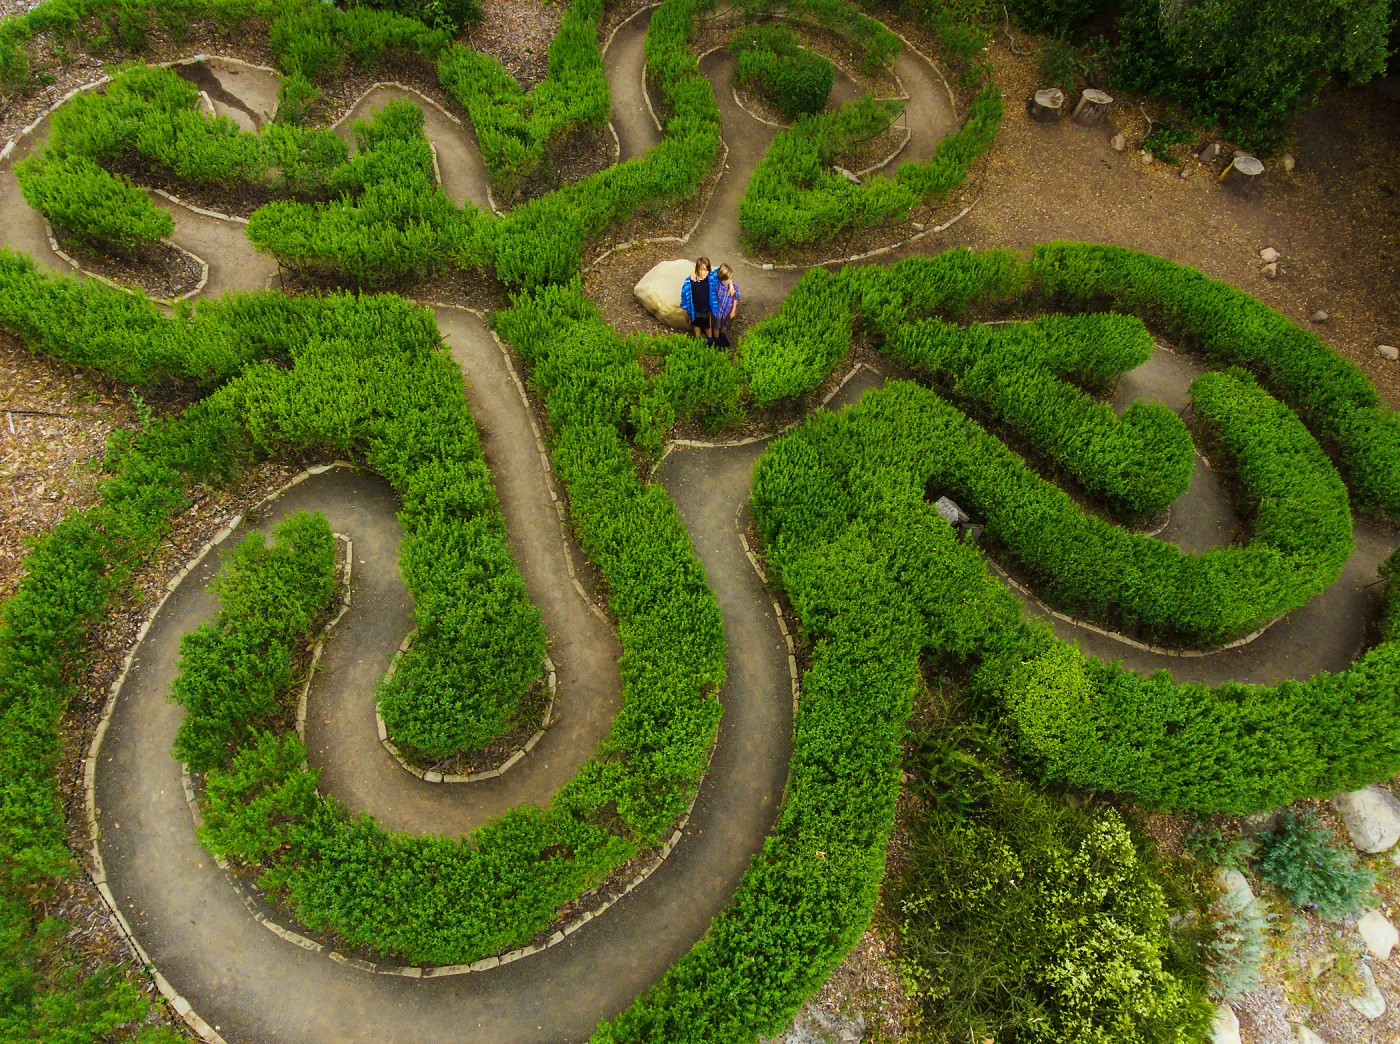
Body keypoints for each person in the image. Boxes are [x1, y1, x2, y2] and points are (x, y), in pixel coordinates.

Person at [679, 256, 718, 342]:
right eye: (702, 270)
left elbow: (721, 270)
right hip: (695, 310)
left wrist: (730, 284)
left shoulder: (710, 278)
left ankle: (710, 339)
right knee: (696, 325)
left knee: (708, 325)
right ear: (697, 269)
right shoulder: (691, 281)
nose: (705, 272)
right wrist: (687, 308)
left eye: (707, 270)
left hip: (706, 309)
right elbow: (685, 293)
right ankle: (698, 339)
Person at [713, 263, 741, 347]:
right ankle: (717, 339)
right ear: (724, 280)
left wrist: (733, 310)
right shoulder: (717, 285)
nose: (731, 279)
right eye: (730, 278)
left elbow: (736, 298)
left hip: (727, 311)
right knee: (716, 326)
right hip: (718, 312)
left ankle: (722, 335)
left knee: (724, 324)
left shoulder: (734, 286)